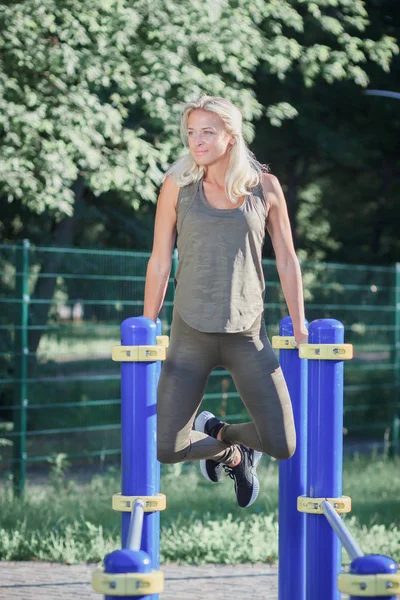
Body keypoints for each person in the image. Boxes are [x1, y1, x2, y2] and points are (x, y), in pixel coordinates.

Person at [143, 94, 308, 508]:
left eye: (207, 132)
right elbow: (161, 260)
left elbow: (287, 260)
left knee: (283, 443)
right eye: (191, 133)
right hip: (189, 334)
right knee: (168, 448)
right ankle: (229, 454)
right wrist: (148, 325)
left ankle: (223, 433)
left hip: (247, 333)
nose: (196, 141)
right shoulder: (177, 185)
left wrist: (300, 323)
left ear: (231, 136)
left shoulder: (264, 187)